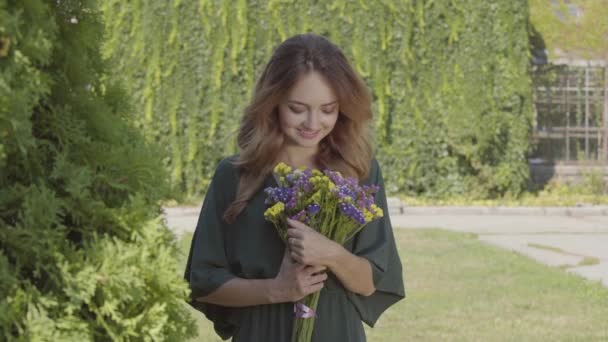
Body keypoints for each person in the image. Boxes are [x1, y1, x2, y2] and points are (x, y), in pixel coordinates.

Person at [184, 33, 405, 341]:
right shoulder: (234, 176)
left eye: (328, 109)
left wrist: (330, 253)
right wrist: (276, 290)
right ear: (272, 103)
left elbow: (372, 282)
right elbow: (204, 281)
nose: (313, 123)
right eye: (298, 108)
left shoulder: (359, 173)